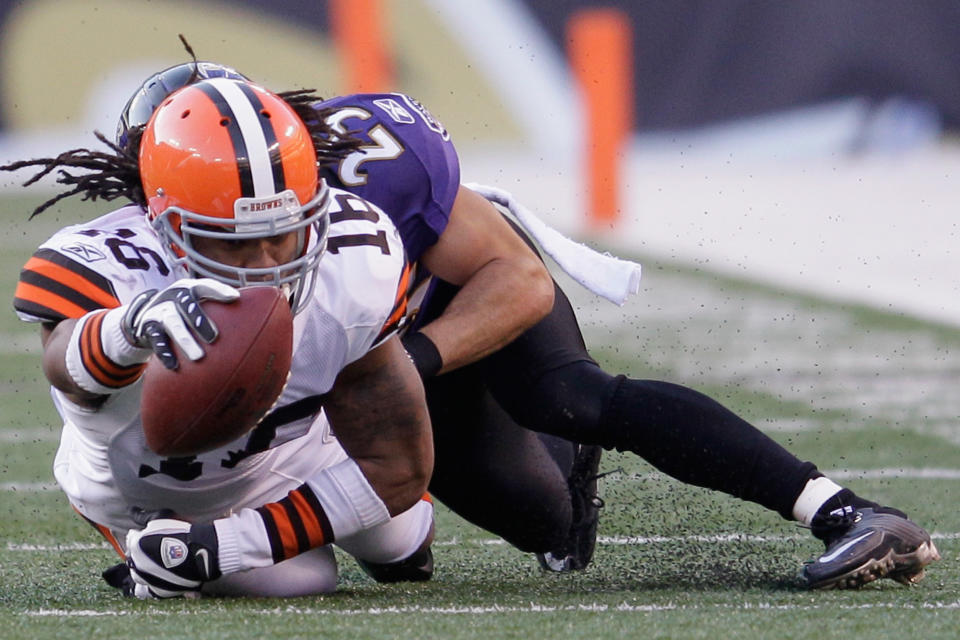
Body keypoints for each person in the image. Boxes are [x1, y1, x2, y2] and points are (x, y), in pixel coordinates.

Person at [7, 77, 437, 597]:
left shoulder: (357, 256)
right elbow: (65, 368)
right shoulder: (107, 264)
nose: (266, 267)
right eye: (231, 242)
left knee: (401, 538)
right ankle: (157, 547)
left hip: (288, 450)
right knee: (297, 582)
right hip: (146, 484)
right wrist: (128, 328)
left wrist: (231, 544)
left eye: (281, 234)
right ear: (164, 226)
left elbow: (397, 465)